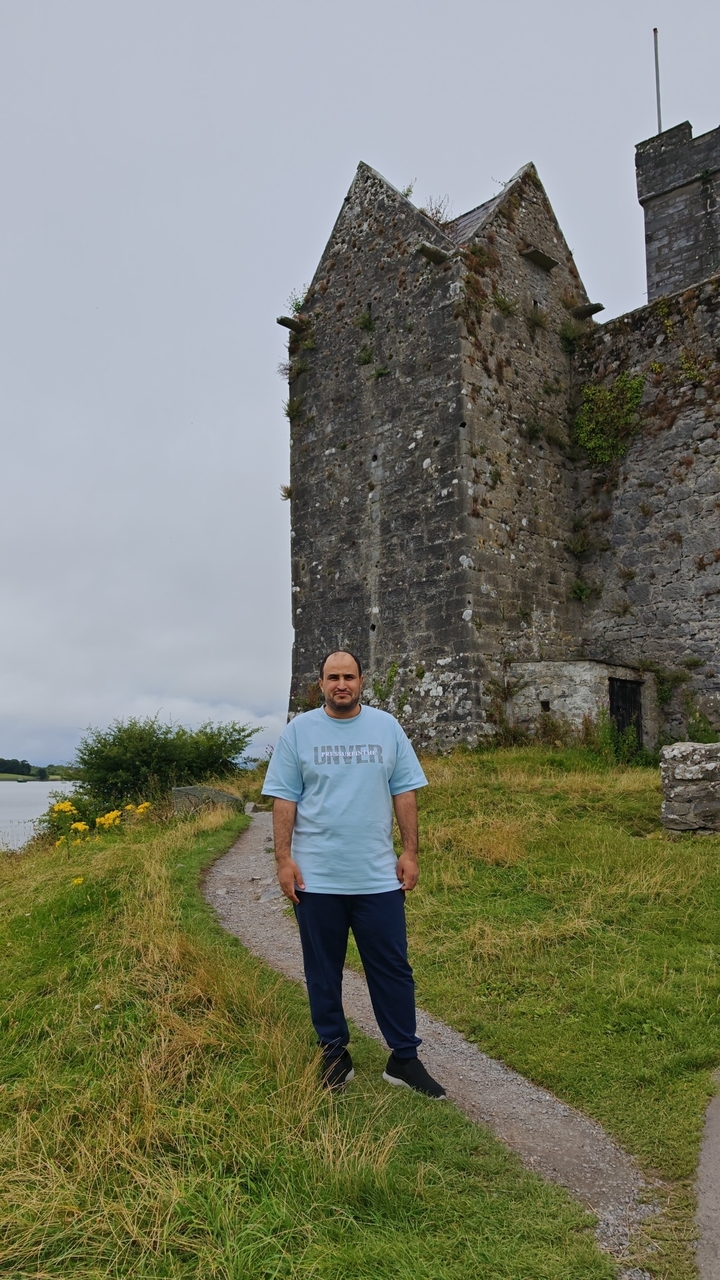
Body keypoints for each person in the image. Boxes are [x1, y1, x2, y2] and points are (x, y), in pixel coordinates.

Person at [262, 649, 446, 1097]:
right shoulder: (298, 732)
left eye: (348, 677)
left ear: (362, 681)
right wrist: (283, 860)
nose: (341, 684)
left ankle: (404, 1059)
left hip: (377, 877)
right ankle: (333, 1053)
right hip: (316, 879)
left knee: (393, 968)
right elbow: (284, 799)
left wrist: (410, 852)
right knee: (323, 970)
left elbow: (405, 791)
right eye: (333, 678)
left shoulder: (387, 728)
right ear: (321, 684)